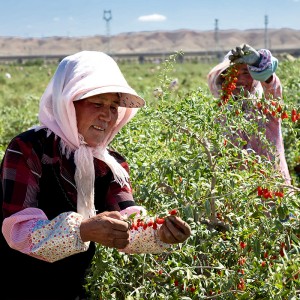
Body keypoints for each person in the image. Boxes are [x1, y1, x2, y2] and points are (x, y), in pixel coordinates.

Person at [0, 51, 191, 300]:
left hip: (70, 286)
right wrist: (84, 229)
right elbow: (20, 232)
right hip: (16, 283)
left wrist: (159, 234)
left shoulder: (110, 163)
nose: (108, 115)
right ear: (68, 103)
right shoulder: (29, 149)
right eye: (98, 104)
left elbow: (128, 225)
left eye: (113, 107)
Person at [207, 44, 291, 185]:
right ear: (225, 79)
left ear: (255, 76)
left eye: (246, 73)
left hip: (272, 188)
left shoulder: (265, 104)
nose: (240, 80)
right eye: (234, 74)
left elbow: (273, 88)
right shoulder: (219, 114)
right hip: (237, 193)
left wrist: (260, 65)